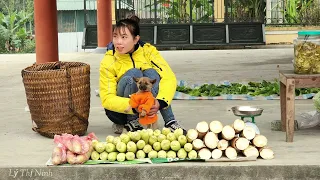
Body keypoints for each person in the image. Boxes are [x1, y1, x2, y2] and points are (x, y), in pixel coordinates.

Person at [99, 15, 186, 135]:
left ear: (136, 39)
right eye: (115, 36)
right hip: (122, 111)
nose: (118, 42)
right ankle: (133, 121)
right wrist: (135, 107)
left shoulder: (148, 52)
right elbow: (107, 98)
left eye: (124, 37)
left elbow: (168, 77)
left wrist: (160, 102)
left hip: (146, 106)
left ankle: (170, 121)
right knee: (134, 74)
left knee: (152, 74)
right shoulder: (109, 60)